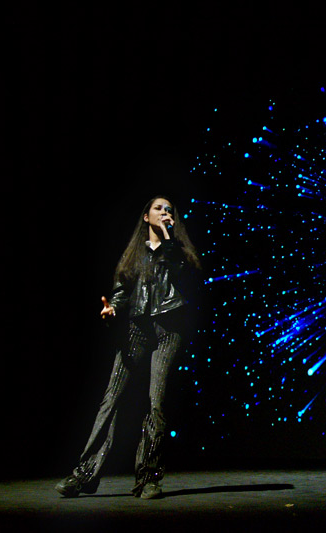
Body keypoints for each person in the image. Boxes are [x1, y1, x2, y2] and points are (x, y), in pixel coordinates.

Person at [56, 196, 201, 500]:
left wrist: (168, 237)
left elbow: (181, 271)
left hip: (168, 330)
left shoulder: (177, 251)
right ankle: (84, 474)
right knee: (111, 400)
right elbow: (122, 291)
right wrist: (112, 309)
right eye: (159, 208)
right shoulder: (134, 254)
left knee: (156, 402)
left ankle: (148, 478)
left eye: (169, 210)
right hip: (136, 330)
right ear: (146, 216)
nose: (165, 212)